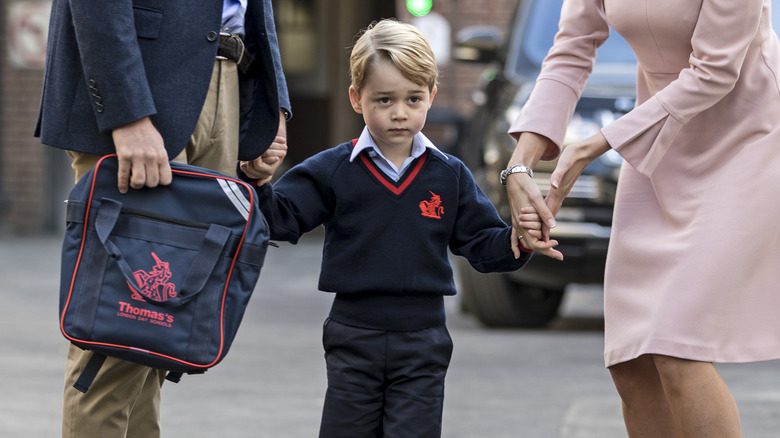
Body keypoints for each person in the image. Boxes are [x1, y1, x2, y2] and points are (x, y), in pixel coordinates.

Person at [241, 19, 538, 438]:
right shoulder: (332, 169)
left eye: (413, 98)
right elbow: (280, 218)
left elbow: (482, 245)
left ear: (431, 96)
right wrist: (259, 179)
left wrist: (518, 239)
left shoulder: (449, 175)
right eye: (384, 100)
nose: (399, 112)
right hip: (352, 335)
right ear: (356, 99)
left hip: (423, 341)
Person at [505, 0, 780, 436]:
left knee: (676, 347)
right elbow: (572, 49)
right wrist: (520, 164)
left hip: (746, 140)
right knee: (631, 361)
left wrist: (597, 143)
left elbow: (715, 71)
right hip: (657, 140)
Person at [34, 1, 290, 437]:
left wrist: (271, 107)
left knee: (158, 335)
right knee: (115, 338)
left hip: (225, 75)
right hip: (144, 82)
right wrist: (126, 111)